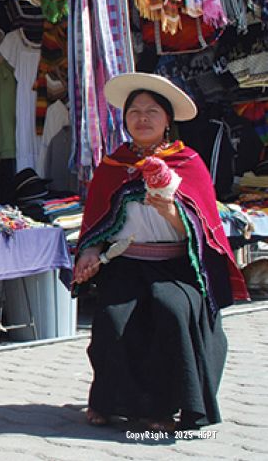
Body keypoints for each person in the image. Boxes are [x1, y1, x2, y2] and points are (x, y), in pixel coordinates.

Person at [74, 72, 248, 432]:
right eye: (134, 111)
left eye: (152, 111)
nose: (142, 118)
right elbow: (95, 223)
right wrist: (89, 253)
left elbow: (204, 231)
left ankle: (166, 408)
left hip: (177, 265)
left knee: (170, 309)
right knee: (112, 318)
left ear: (168, 120)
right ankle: (109, 400)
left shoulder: (188, 163)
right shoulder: (113, 166)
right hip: (126, 262)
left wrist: (169, 208)